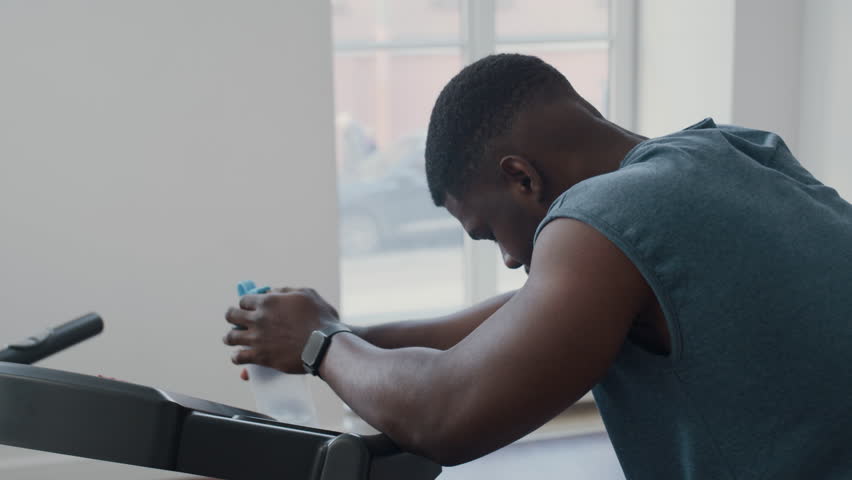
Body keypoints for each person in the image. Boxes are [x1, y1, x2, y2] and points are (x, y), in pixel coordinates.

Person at [223, 54, 852, 478]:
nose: (510, 257)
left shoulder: (603, 213)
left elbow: (443, 414)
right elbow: (527, 318)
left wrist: (319, 344)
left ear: (520, 176)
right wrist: (343, 333)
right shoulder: (736, 152)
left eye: (491, 232)